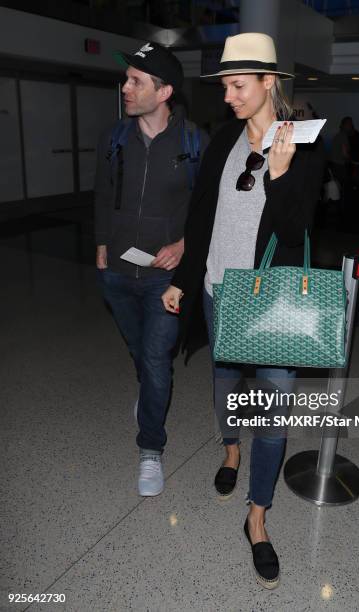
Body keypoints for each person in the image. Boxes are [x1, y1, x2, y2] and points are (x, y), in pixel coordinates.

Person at [162, 32, 325, 588]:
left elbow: (298, 229)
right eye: (226, 86)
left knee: (274, 411)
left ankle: (257, 516)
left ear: (268, 83)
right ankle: (231, 448)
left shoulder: (301, 143)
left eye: (237, 85)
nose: (228, 96)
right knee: (225, 380)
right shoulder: (224, 138)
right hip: (215, 289)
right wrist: (186, 280)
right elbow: (200, 217)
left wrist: (279, 174)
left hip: (270, 303)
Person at [94, 42, 208, 496]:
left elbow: (207, 209)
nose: (126, 87)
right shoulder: (114, 138)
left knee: (157, 359)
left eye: (136, 81)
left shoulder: (194, 142)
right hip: (117, 270)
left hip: (165, 278)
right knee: (140, 351)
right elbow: (102, 194)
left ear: (164, 92)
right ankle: (148, 392)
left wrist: (184, 245)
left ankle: (150, 450)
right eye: (127, 79)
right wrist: (101, 244)